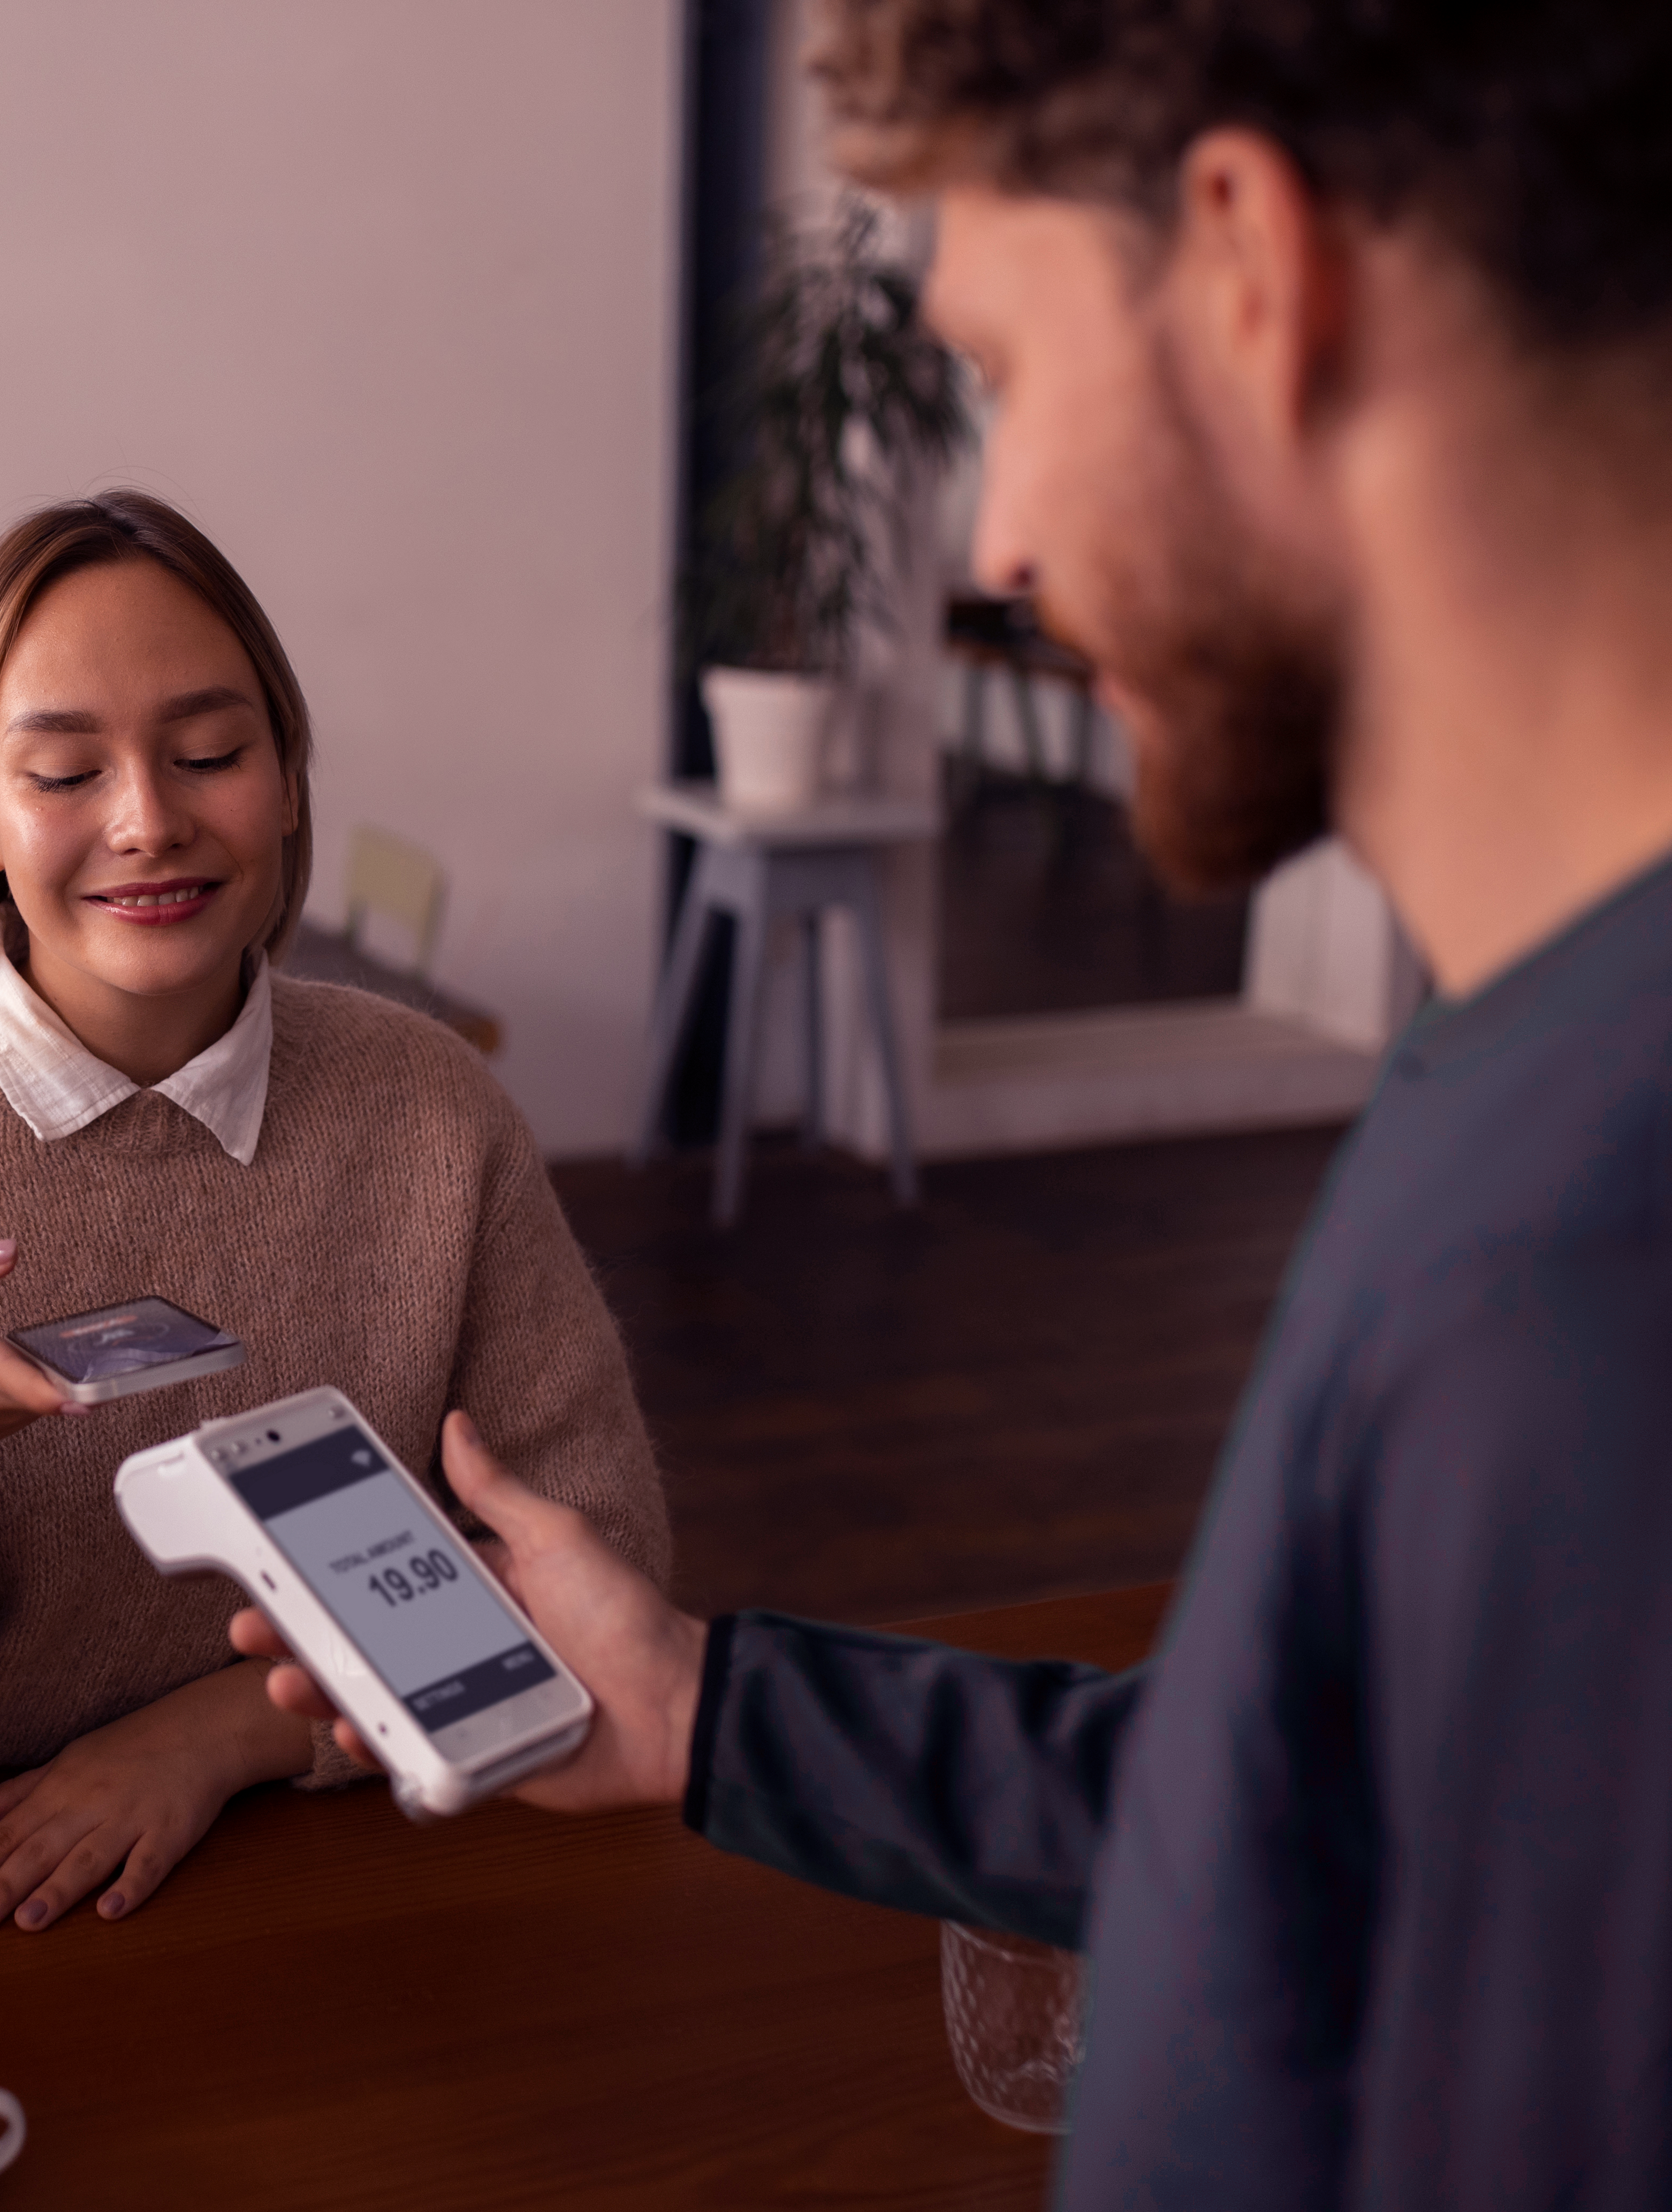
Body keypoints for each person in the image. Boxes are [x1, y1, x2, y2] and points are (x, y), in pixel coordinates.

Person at [237, 2, 1672, 2202]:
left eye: (998, 371)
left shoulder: (1579, 1275)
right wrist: (703, 1711)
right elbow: (1302, 1820)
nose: (993, 537)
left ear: (1244, 272)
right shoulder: (1525, 1092)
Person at [0, 491, 668, 1936]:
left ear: (288, 781)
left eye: (207, 753)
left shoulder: (432, 1116)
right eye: (63, 773)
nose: (146, 820)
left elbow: (595, 1576)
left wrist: (231, 1731)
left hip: (328, 1884)